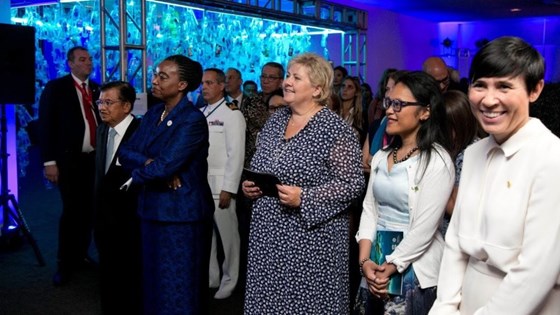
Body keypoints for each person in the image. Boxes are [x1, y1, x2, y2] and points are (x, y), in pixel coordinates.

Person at [430, 36, 560, 315]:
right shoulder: (475, 153)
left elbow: (537, 270)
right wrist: (444, 307)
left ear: (535, 90)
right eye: (479, 85)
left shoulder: (551, 157)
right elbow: (455, 243)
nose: (489, 100)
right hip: (466, 300)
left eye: (504, 86)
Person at [242, 53, 365, 313]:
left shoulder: (334, 129)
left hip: (311, 242)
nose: (287, 82)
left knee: (308, 305)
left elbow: (353, 184)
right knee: (269, 302)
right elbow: (262, 165)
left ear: (318, 89)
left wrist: (305, 198)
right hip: (268, 236)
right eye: (287, 75)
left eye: (296, 77)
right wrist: (251, 185)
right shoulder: (276, 120)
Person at [118, 55, 214, 315]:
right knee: (153, 284)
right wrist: (152, 162)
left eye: (163, 76)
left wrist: (153, 169)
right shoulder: (152, 114)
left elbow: (167, 165)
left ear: (182, 85)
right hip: (151, 209)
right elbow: (125, 152)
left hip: (181, 216)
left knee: (180, 288)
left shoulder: (191, 120)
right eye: (155, 74)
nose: (154, 80)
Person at [355, 71, 454, 314]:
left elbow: (424, 229)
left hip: (413, 269)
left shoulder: (437, 160)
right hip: (377, 260)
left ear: (425, 111)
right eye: (389, 102)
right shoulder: (381, 156)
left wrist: (390, 266)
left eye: (399, 104)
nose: (390, 110)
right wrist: (365, 262)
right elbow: (370, 210)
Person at [38, 46, 100, 286]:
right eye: (83, 59)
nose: (88, 63)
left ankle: (81, 255)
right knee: (72, 212)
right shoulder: (56, 88)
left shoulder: (95, 88)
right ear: (70, 63)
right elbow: (46, 126)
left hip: (93, 160)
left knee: (89, 212)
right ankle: (64, 264)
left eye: (90, 59)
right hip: (68, 162)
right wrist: (49, 162)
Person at [93, 81, 142, 314]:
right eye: (100, 101)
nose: (102, 107)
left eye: (108, 102)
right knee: (108, 273)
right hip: (104, 217)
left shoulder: (141, 133)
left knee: (130, 276)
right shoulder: (102, 129)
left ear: (126, 106)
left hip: (131, 219)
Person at [201, 68, 246, 300]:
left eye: (209, 83)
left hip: (221, 186)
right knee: (206, 235)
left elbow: (236, 154)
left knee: (228, 239)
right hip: (201, 185)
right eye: (202, 83)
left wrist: (229, 187)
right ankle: (212, 277)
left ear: (221, 86)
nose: (204, 87)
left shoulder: (231, 113)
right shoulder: (200, 112)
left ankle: (230, 280)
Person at [241, 61, 284, 168]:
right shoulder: (250, 101)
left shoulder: (287, 102)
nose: (266, 81)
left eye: (271, 78)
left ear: (281, 81)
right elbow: (242, 131)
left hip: (278, 159)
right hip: (249, 158)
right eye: (263, 76)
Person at [338, 76, 365, 143]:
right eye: (343, 86)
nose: (345, 89)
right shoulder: (333, 111)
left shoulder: (361, 115)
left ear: (356, 92)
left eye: (350, 87)